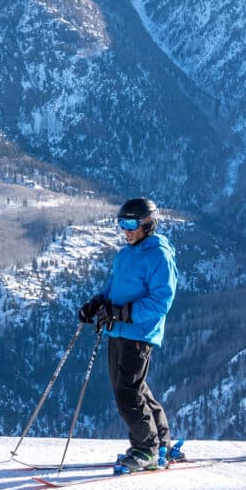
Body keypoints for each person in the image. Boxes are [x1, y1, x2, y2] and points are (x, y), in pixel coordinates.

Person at [78, 196, 180, 474]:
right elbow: (114, 290)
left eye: (131, 223)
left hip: (140, 333)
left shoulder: (159, 255)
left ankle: (144, 449)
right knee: (135, 388)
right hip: (118, 332)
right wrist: (98, 303)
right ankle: (162, 443)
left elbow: (162, 301)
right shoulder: (125, 255)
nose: (125, 229)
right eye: (121, 223)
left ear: (148, 223)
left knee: (127, 394)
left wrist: (124, 313)